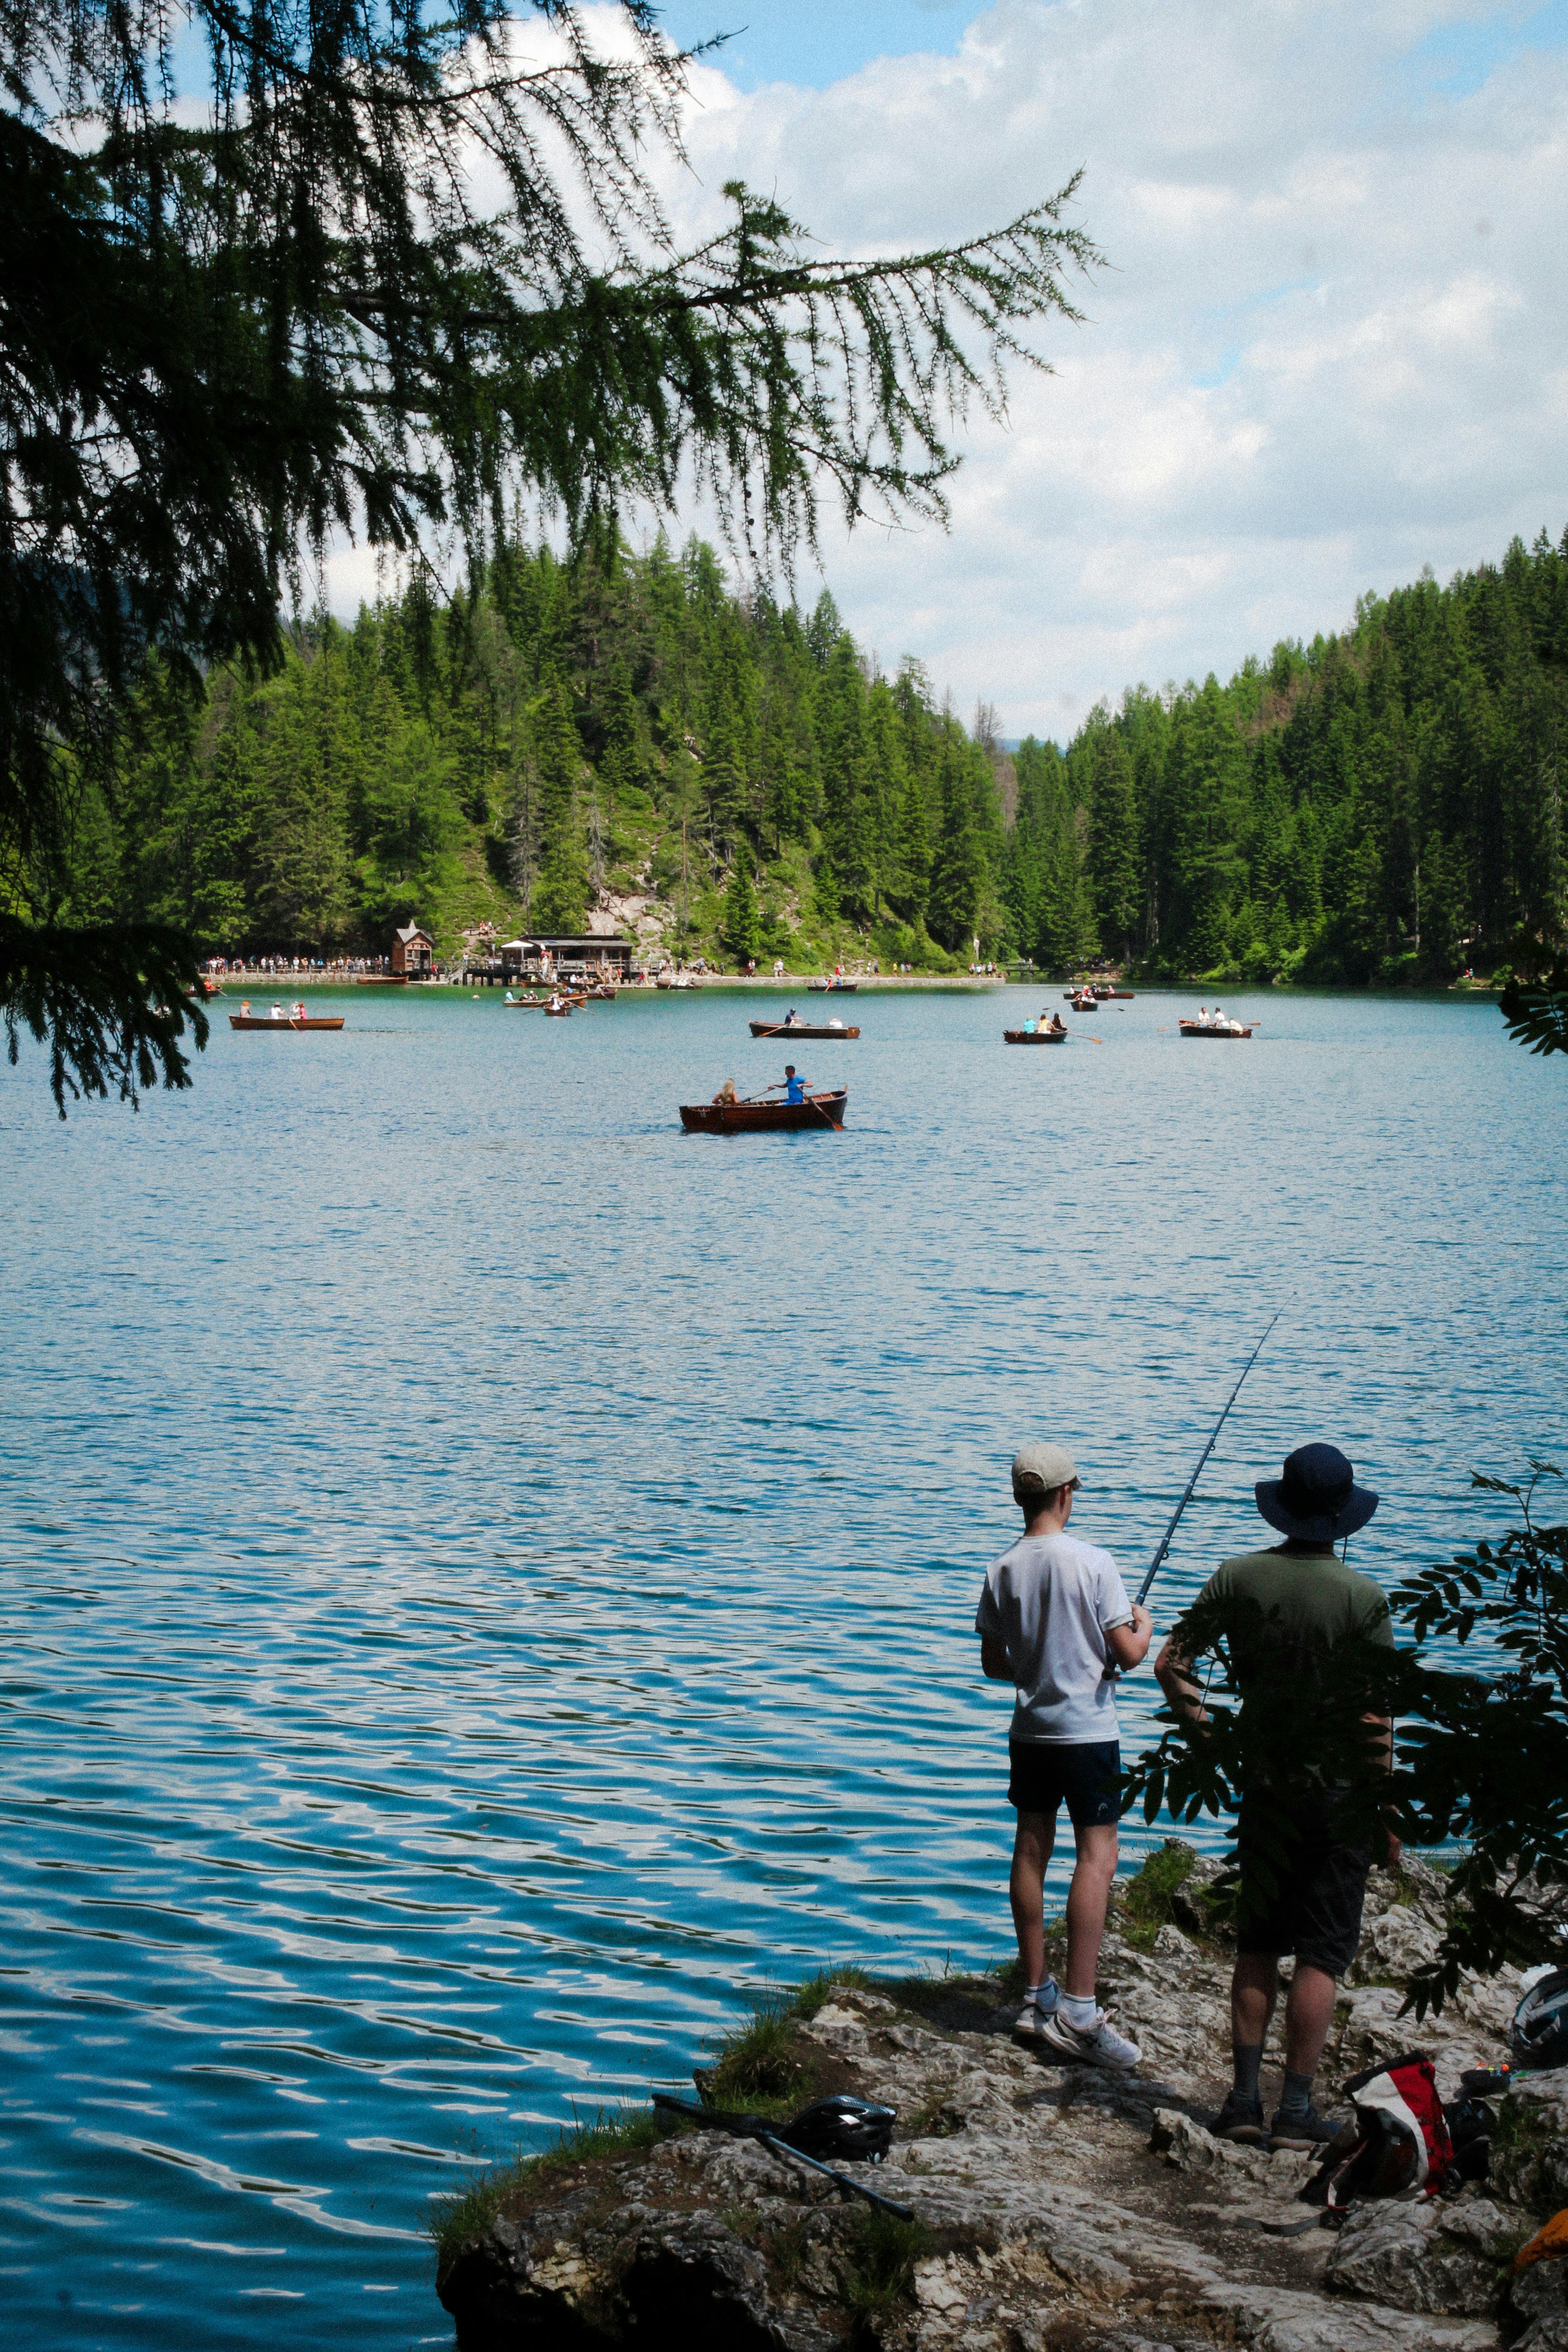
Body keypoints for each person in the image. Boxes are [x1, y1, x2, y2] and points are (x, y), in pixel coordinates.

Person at [1154, 1444, 1396, 2151]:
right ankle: (1295, 2111)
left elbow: (1173, 1663)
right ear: (1343, 1519)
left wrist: (1209, 1744)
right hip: (1340, 1795)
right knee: (1321, 1953)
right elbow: (1374, 1717)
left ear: (1284, 1508)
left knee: (1258, 1943)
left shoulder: (1238, 1576)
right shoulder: (1365, 1598)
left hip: (1266, 1786)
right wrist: (1382, 1811)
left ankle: (1240, 2104)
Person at [976, 1444, 1153, 2070]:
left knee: (1031, 1847)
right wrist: (1146, 1625)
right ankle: (1079, 2010)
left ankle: (1035, 1994)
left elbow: (995, 1663)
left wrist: (1039, 1666)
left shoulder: (1001, 1568)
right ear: (1064, 1494)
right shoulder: (1094, 1562)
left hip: (1030, 1731)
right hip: (1088, 1733)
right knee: (1096, 1857)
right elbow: (1129, 1655)